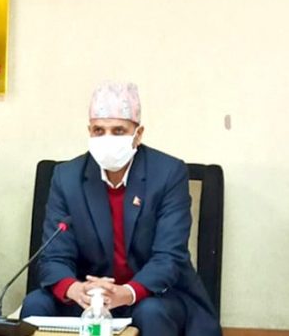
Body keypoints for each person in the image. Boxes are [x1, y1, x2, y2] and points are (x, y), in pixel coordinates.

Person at [21, 82, 221, 336]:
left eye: (118, 130)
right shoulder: (66, 177)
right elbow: (54, 256)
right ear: (89, 132)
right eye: (99, 130)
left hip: (153, 295)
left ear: (138, 134)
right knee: (36, 304)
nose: (107, 138)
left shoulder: (168, 173)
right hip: (89, 297)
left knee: (151, 312)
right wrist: (75, 289)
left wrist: (126, 293)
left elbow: (170, 256)